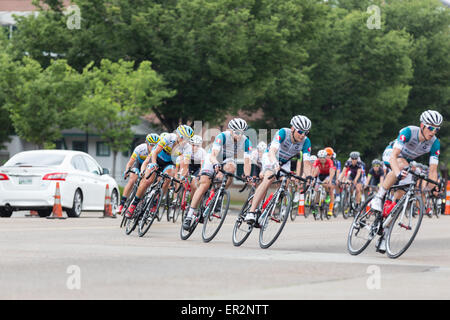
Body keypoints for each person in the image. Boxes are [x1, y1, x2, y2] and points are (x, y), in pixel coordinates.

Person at [369, 110, 442, 253]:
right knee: (402, 165)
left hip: (406, 162)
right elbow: (394, 156)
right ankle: (378, 198)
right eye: (431, 128)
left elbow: (433, 170)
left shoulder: (435, 143)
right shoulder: (409, 132)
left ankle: (384, 234)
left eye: (437, 129)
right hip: (391, 154)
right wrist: (397, 172)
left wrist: (432, 187)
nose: (433, 132)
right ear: (422, 125)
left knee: (400, 198)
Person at [182, 118, 253, 230]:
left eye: (242, 132)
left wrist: (248, 175)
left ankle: (219, 194)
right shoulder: (222, 136)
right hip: (213, 158)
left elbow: (247, 161)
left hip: (227, 160)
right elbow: (213, 155)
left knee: (231, 168)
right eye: (237, 132)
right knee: (204, 184)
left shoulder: (246, 141)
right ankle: (190, 214)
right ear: (230, 130)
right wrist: (215, 164)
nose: (240, 135)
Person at [244, 115, 313, 224]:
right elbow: (272, 151)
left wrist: (309, 176)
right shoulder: (283, 133)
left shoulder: (306, 142)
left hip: (285, 162)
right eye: (300, 132)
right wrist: (275, 163)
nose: (303, 135)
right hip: (271, 156)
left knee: (285, 183)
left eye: (306, 132)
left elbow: (307, 162)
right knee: (268, 178)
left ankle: (268, 209)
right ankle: (251, 212)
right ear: (292, 128)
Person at [125, 125, 194, 218]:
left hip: (169, 162)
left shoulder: (187, 148)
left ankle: (156, 201)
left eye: (187, 139)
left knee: (168, 177)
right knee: (147, 180)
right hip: (157, 157)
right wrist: (153, 163)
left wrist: (182, 176)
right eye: (182, 137)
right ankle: (134, 204)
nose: (184, 141)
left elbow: (185, 167)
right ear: (177, 134)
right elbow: (155, 152)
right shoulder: (169, 137)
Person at [117, 133, 160, 214]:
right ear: (146, 143)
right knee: (132, 180)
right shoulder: (140, 148)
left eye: (156, 145)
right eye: (151, 145)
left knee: (147, 182)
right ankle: (121, 204)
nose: (153, 147)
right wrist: (127, 170)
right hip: (138, 164)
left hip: (148, 166)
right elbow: (130, 162)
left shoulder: (157, 152)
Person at [312, 149, 336, 216]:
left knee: (326, 184)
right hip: (321, 175)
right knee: (316, 189)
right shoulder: (317, 161)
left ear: (325, 157)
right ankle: (316, 206)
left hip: (328, 174)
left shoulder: (329, 161)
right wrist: (312, 178)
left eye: (323, 158)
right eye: (320, 158)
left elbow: (332, 170)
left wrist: (330, 180)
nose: (321, 160)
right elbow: (313, 169)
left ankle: (328, 194)